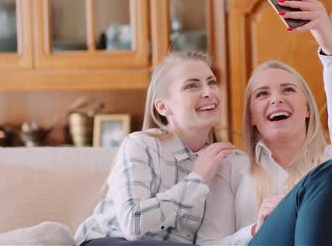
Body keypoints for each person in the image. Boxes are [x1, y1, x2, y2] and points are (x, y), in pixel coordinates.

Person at [199, 0, 332, 245]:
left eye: (289, 90)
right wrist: (255, 229)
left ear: (307, 109)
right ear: (251, 117)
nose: (276, 99)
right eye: (262, 94)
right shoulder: (231, 168)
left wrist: (329, 45)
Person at [74, 51, 238, 245]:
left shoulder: (224, 160)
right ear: (162, 107)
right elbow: (132, 224)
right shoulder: (141, 144)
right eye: (192, 86)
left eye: (211, 82)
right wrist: (198, 179)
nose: (208, 92)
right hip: (111, 240)